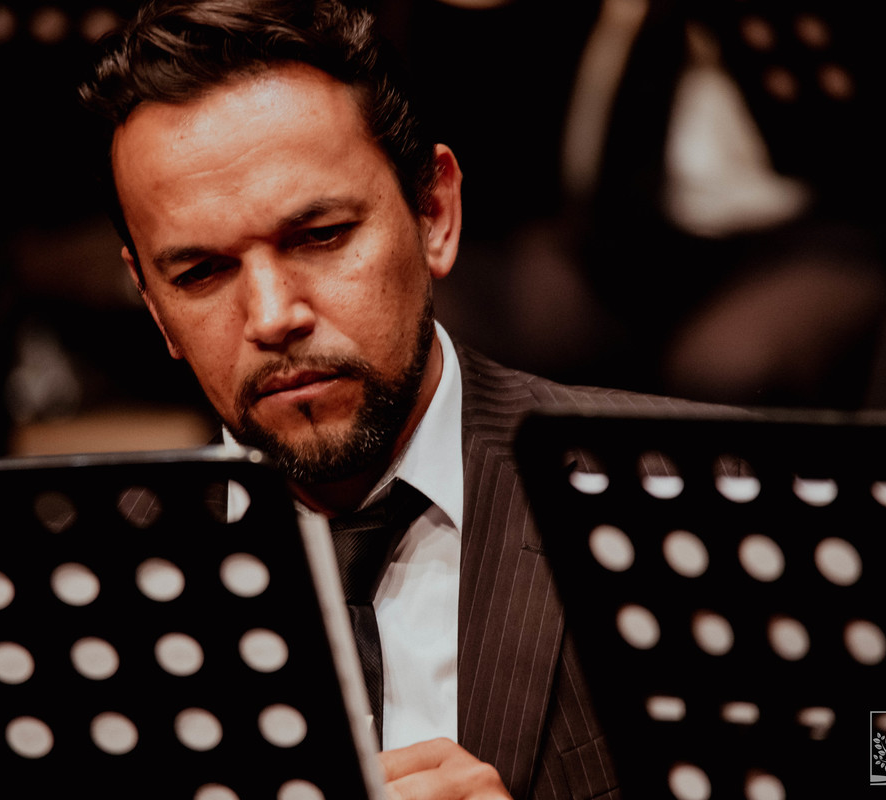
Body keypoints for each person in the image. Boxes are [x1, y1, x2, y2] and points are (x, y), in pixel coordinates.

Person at [78, 2, 691, 796]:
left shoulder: (688, 493)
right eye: (201, 273)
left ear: (434, 214)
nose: (273, 317)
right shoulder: (84, 592)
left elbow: (861, 765)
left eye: (320, 236)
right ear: (154, 304)